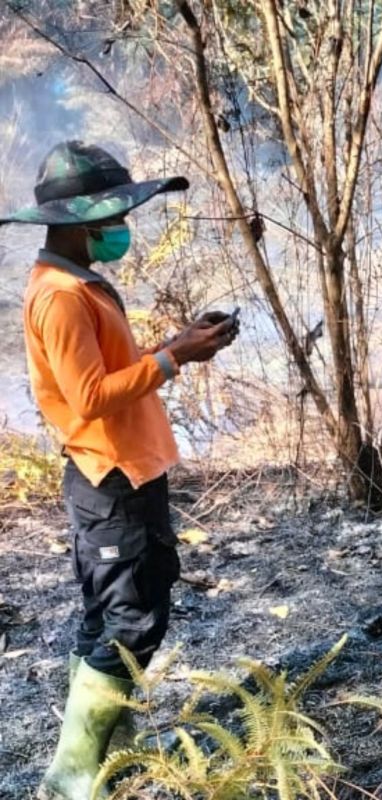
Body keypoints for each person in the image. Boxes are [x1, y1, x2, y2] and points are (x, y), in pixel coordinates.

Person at [1, 140, 237, 800]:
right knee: (133, 620)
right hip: (108, 477)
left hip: (124, 470)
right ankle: (73, 775)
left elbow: (108, 375)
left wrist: (177, 344)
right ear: (80, 224)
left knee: (112, 614)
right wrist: (174, 360)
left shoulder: (79, 283)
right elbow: (89, 398)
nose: (123, 229)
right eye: (115, 217)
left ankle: (111, 749)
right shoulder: (60, 297)